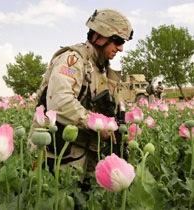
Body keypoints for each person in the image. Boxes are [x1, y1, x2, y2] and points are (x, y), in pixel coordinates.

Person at [28, 9, 133, 176]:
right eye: (117, 41)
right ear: (100, 36)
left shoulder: (104, 70)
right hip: (57, 151)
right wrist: (97, 123)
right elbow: (59, 102)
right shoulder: (73, 60)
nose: (120, 48)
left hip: (88, 150)